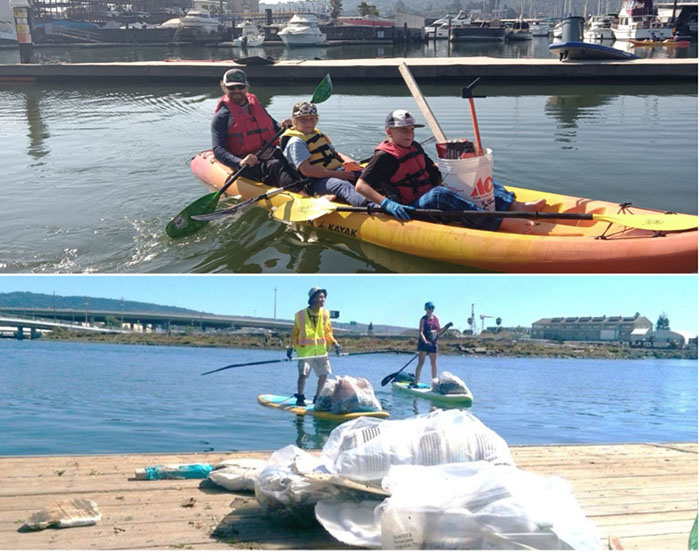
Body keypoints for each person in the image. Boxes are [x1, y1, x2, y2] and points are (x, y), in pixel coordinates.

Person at [354, 110, 547, 234]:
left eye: (411, 129)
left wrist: (457, 171)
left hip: (427, 191)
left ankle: (514, 206)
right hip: (412, 206)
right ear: (389, 132)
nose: (409, 134)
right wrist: (386, 203)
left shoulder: (414, 147)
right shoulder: (384, 157)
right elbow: (360, 185)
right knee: (440, 195)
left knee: (472, 176)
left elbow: (430, 169)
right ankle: (500, 222)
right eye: (403, 130)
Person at [211, 69, 305, 190]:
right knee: (276, 165)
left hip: (268, 152)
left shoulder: (256, 105)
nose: (236, 91)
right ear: (224, 88)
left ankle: (317, 184)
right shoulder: (222, 116)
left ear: (246, 87)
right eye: (231, 88)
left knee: (293, 155)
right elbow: (218, 149)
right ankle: (302, 193)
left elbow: (272, 125)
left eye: (240, 87)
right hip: (247, 162)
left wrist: (282, 126)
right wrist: (239, 162)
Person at [280, 101, 373, 206]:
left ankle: (389, 196)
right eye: (303, 119)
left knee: (367, 174)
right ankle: (372, 207)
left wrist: (347, 160)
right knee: (343, 185)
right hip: (316, 181)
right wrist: (338, 175)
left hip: (336, 171)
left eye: (312, 119)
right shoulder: (296, 142)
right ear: (294, 121)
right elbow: (306, 170)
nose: (309, 123)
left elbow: (332, 153)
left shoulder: (316, 134)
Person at [287, 287, 342, 406]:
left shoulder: (325, 314)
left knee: (324, 374)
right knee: (303, 375)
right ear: (313, 299)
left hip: (321, 351)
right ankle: (300, 397)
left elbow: (328, 333)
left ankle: (317, 398)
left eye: (324, 297)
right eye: (320, 297)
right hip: (305, 351)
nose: (323, 299)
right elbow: (295, 333)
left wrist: (335, 343)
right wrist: (290, 347)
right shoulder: (300, 315)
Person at [414, 301, 441, 387]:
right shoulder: (423, 319)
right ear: (426, 309)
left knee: (434, 363)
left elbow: (439, 330)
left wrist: (448, 326)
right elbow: (421, 332)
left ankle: (434, 382)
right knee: (421, 362)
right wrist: (425, 342)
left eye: (432, 308)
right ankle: (416, 381)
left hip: (433, 342)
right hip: (424, 343)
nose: (431, 310)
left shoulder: (436, 318)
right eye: (429, 308)